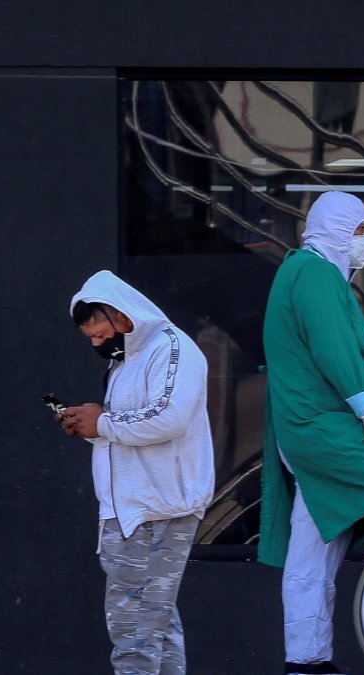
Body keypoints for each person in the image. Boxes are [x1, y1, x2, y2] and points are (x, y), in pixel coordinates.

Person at [258, 191, 364, 675]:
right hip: (323, 428)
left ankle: (306, 660)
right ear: (334, 230)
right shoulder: (312, 273)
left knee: (312, 548)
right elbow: (333, 350)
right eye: (360, 230)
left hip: (312, 428)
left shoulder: (312, 274)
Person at [58, 270, 215, 675]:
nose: (97, 344)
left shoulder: (171, 348)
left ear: (122, 317)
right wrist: (92, 427)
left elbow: (169, 418)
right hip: (133, 509)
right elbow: (135, 427)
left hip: (157, 508)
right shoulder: (125, 359)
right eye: (90, 339)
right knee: (155, 626)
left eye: (99, 334)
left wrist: (103, 423)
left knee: (135, 630)